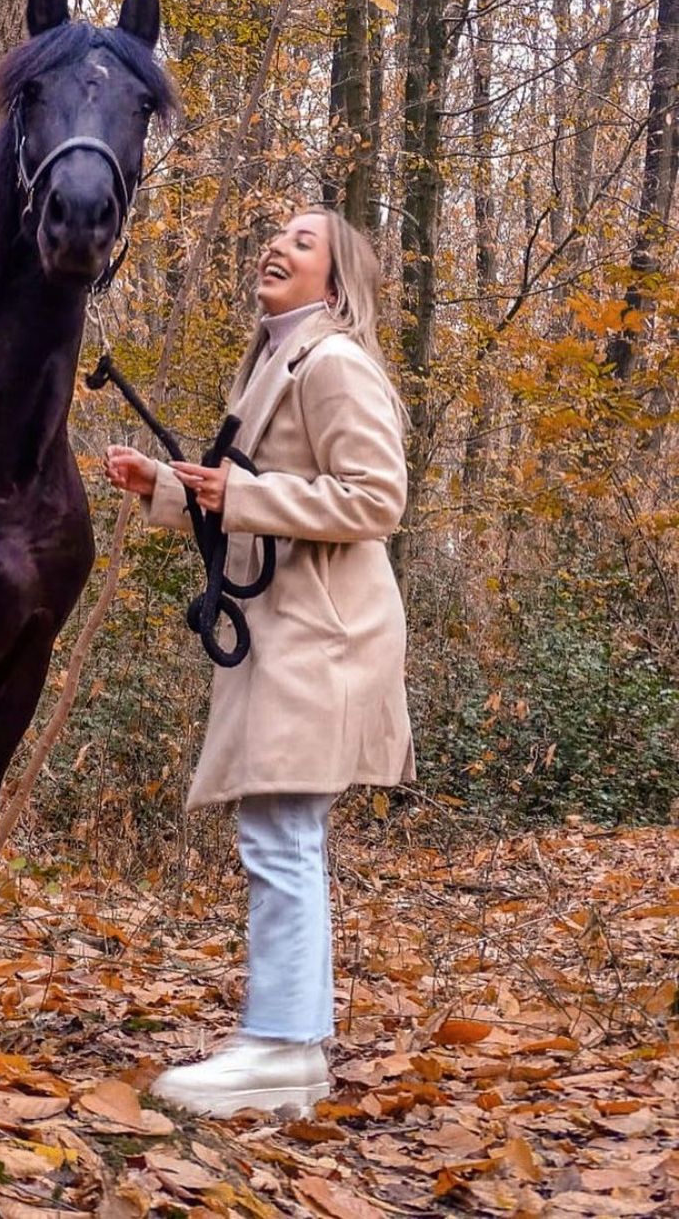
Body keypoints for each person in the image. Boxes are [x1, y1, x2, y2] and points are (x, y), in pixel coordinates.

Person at [105, 204, 413, 1119]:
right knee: (284, 836)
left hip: (324, 636)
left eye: (305, 240)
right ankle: (293, 1044)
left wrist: (239, 491)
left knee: (281, 836)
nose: (279, 244)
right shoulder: (275, 358)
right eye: (277, 233)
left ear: (335, 278)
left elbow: (375, 497)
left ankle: (278, 1045)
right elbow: (257, 497)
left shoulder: (334, 361)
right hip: (290, 630)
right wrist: (171, 490)